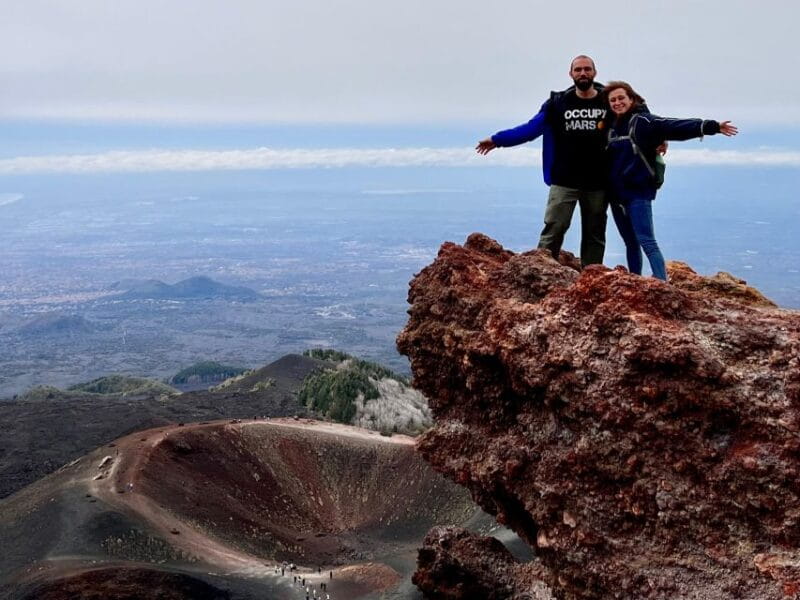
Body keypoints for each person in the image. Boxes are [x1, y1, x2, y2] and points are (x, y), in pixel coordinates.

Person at [476, 55, 610, 267]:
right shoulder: (557, 103)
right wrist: (497, 140)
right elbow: (530, 129)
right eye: (578, 70)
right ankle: (541, 272)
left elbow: (635, 111)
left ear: (595, 72)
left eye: (587, 69)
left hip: (598, 181)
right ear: (571, 74)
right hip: (564, 179)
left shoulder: (608, 100)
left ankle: (592, 278)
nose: (583, 73)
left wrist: (658, 139)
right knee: (554, 227)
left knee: (594, 232)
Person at [603, 81, 738, 280]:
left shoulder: (643, 122)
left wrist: (710, 126)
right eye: (612, 100)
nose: (617, 103)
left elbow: (673, 126)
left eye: (621, 98)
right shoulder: (611, 128)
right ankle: (634, 282)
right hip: (617, 196)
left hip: (638, 193)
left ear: (632, 99)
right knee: (630, 243)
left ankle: (661, 283)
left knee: (647, 241)